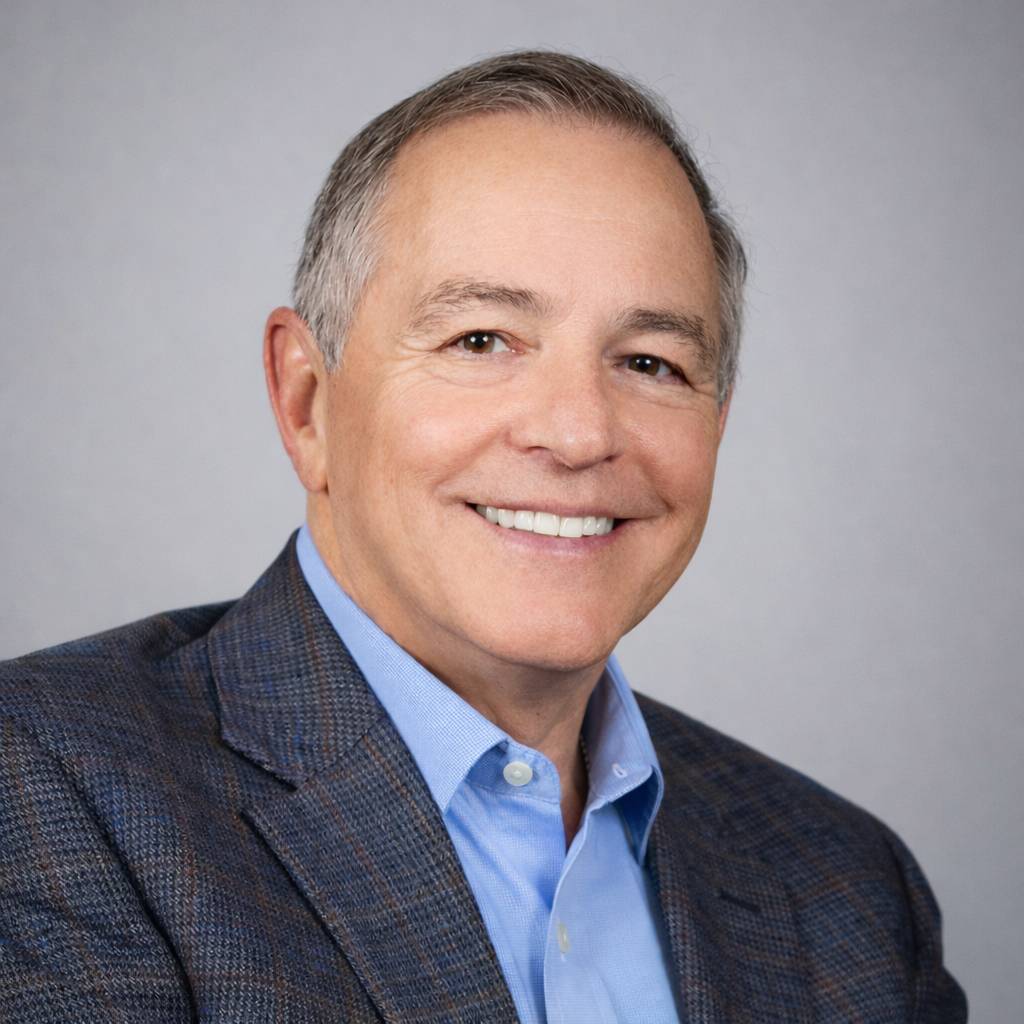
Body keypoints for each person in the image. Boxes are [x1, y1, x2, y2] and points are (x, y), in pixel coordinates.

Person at [0, 50, 966, 1023]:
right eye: (481, 340)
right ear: (307, 401)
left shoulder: (848, 891)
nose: (579, 433)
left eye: (649, 361)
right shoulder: (46, 787)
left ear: (717, 419)